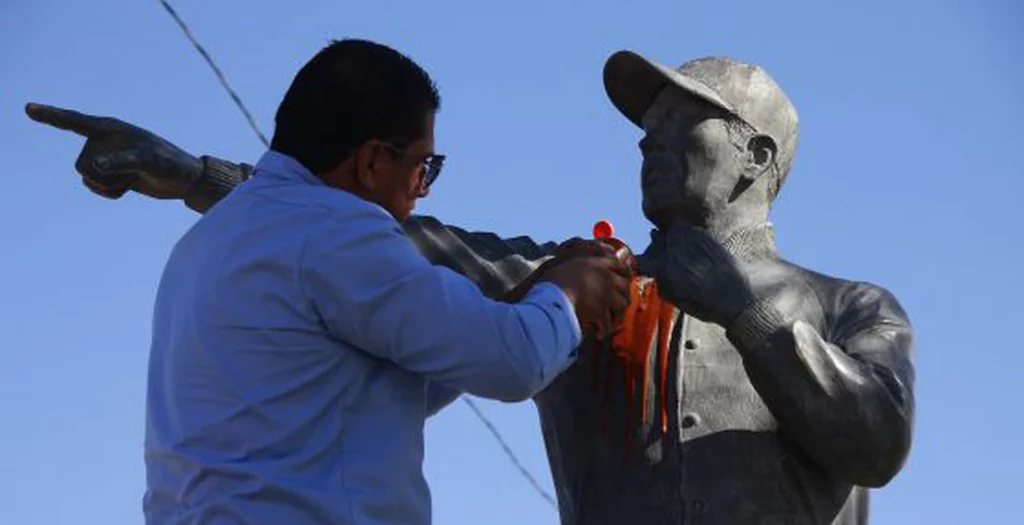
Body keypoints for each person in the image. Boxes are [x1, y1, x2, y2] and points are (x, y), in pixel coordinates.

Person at [27, 49, 915, 525]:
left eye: (684, 121)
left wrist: (748, 314)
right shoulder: (584, 283)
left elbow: (876, 443)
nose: (651, 138)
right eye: (647, 125)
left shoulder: (850, 307)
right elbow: (377, 237)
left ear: (757, 156)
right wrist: (192, 174)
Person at [44, 39, 634, 525]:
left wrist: (511, 303)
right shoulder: (336, 230)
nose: (423, 189)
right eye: (423, 166)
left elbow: (366, 385)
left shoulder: (211, 239)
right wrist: (570, 292)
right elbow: (513, 363)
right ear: (374, 161)